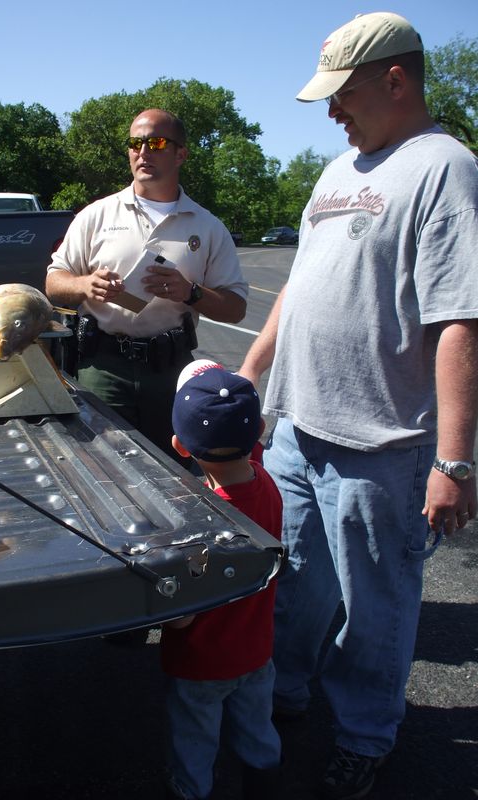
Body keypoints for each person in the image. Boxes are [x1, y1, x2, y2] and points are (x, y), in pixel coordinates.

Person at [239, 11, 478, 800]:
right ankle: (286, 697)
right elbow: (298, 288)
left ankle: (365, 736)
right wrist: (252, 372)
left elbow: (459, 322)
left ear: (396, 80)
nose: (333, 111)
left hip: (385, 446)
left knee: (376, 610)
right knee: (297, 582)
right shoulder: (338, 169)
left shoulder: (445, 167)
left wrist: (453, 461)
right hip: (299, 431)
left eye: (342, 95)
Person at [45, 109, 247, 464]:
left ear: (181, 153)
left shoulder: (208, 226)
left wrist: (191, 292)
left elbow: (236, 307)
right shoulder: (97, 215)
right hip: (103, 367)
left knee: (176, 474)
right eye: (135, 143)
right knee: (103, 466)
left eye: (155, 142)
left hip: (169, 371)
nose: (143, 152)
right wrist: (84, 286)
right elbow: (53, 281)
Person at [160, 359, 284, 800]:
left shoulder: (197, 523)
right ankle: (264, 778)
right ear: (260, 431)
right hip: (256, 651)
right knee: (257, 724)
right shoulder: (267, 483)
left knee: (197, 734)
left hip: (201, 663)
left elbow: (180, 621)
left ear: (179, 445)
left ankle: (192, 788)